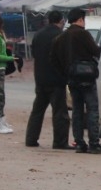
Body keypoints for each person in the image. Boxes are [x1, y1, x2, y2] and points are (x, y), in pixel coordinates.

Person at [52, 7, 101, 154]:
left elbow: (54, 59)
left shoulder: (62, 37)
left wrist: (66, 73)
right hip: (88, 78)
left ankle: (79, 143)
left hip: (72, 79)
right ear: (80, 20)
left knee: (77, 111)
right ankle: (94, 143)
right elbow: (96, 51)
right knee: (92, 110)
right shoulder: (83, 34)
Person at [24, 10, 71, 149]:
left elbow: (34, 54)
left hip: (40, 78)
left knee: (37, 111)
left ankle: (31, 139)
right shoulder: (60, 36)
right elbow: (64, 58)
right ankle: (60, 142)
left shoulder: (38, 35)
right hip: (56, 80)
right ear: (61, 21)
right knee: (60, 113)